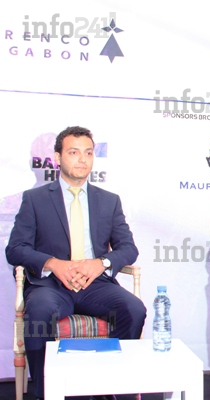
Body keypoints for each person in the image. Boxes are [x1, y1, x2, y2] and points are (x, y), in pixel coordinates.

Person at [6, 126, 146, 400]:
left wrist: (100, 263)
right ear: (58, 158)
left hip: (96, 285)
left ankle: (110, 387)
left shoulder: (109, 201)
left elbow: (129, 248)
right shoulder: (35, 199)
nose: (82, 159)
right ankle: (46, 393)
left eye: (88, 153)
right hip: (51, 286)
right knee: (39, 312)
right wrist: (53, 263)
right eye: (73, 152)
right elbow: (15, 249)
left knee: (133, 309)